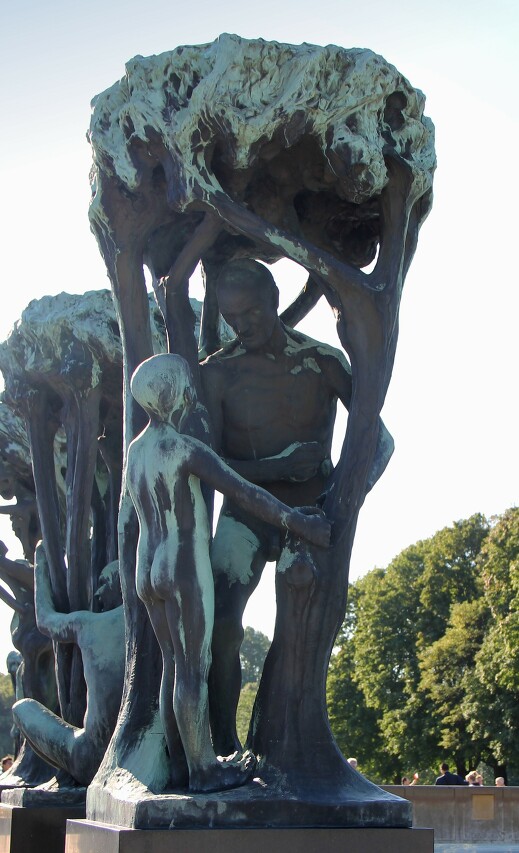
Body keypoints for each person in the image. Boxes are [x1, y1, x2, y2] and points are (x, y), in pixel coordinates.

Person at [201, 259, 394, 756]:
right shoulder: (217, 374)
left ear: (272, 301)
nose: (241, 325)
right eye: (231, 316)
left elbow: (381, 442)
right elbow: (207, 462)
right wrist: (277, 467)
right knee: (220, 622)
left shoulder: (324, 362)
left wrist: (342, 503)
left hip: (311, 520)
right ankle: (222, 747)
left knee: (303, 630)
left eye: (250, 313)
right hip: (245, 516)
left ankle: (282, 742)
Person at [127, 353, 331, 794]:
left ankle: (179, 765)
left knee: (172, 668)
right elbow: (244, 492)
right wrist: (299, 522)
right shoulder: (183, 449)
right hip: (181, 563)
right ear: (175, 393)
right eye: (185, 385)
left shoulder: (135, 452)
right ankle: (204, 770)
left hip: (147, 568)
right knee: (192, 670)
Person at [12, 550, 125, 786]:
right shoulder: (149, 628)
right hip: (129, 755)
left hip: (90, 758)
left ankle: (65, 775)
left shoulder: (89, 625)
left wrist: (41, 566)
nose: (97, 593)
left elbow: (44, 619)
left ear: (120, 585)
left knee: (22, 708)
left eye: (104, 583)